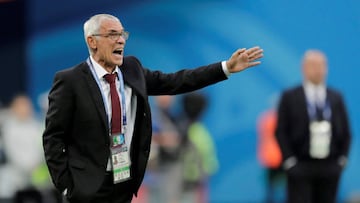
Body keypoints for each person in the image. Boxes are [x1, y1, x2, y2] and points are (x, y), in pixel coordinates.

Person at [42, 13, 263, 203]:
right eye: (112, 35)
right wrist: (66, 186)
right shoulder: (70, 80)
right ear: (92, 41)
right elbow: (53, 137)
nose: (120, 40)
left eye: (122, 34)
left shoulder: (132, 68)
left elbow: (177, 81)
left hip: (123, 181)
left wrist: (225, 68)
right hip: (85, 187)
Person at [275, 49, 351, 203]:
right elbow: (281, 131)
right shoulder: (290, 96)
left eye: (322, 65)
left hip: (329, 165)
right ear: (304, 68)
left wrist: (341, 160)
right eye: (314, 65)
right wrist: (290, 161)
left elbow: (346, 131)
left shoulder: (336, 97)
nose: (319, 70)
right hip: (301, 164)